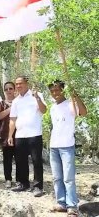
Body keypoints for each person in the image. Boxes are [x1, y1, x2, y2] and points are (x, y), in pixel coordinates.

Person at [48, 80, 87, 216]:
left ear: (63, 90)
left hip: (67, 146)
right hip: (54, 147)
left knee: (68, 178)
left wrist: (75, 95)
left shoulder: (71, 104)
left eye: (57, 90)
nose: (55, 93)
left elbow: (83, 112)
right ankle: (61, 203)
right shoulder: (52, 107)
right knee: (57, 177)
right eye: (52, 91)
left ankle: (72, 206)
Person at [8, 76, 47, 197]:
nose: (18, 86)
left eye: (21, 83)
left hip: (34, 134)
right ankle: (23, 183)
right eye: (17, 84)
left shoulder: (36, 95)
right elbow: (13, 119)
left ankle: (37, 186)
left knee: (36, 161)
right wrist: (10, 135)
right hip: (20, 135)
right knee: (20, 161)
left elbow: (44, 110)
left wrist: (38, 99)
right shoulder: (16, 101)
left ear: (27, 84)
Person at [0, 82, 17, 188]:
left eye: (10, 88)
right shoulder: (1, 103)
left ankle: (20, 179)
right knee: (7, 158)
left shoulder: (20, 102)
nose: (8, 91)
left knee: (19, 158)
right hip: (5, 134)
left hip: (19, 134)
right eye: (6, 89)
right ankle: (8, 179)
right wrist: (10, 108)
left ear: (14, 90)